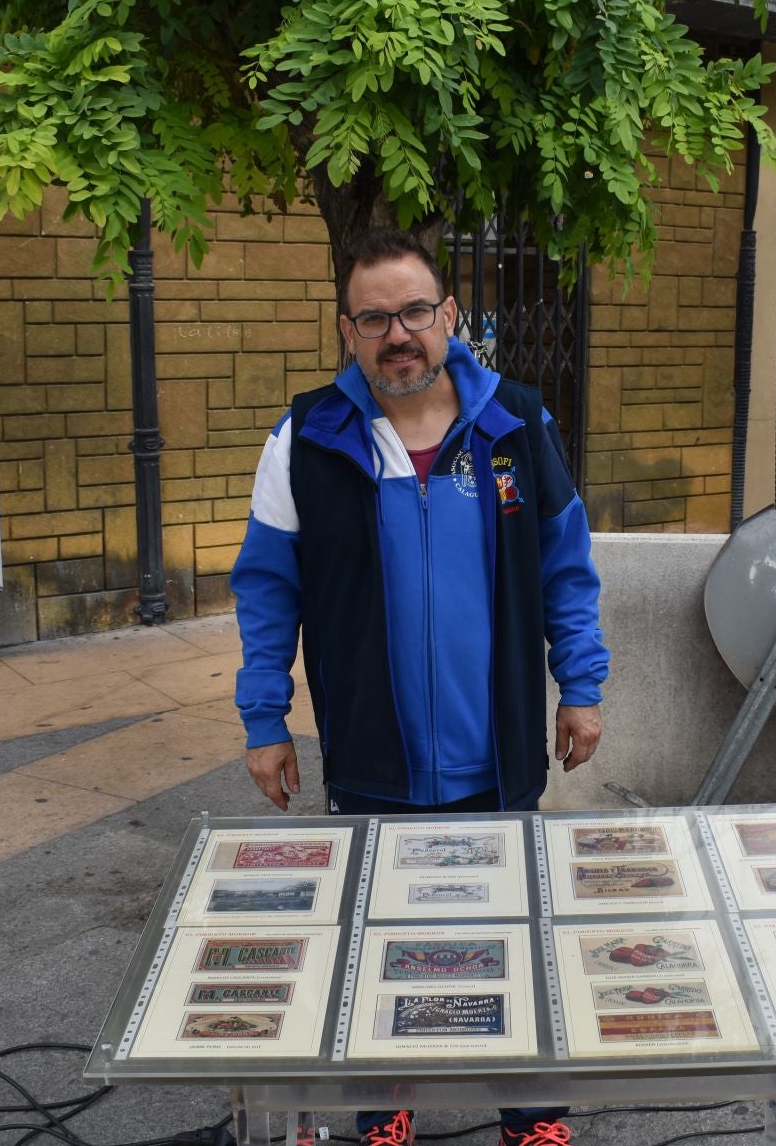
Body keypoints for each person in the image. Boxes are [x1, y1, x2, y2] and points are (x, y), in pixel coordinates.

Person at [232, 228, 609, 1146]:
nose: (396, 334)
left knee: (514, 929)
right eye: (373, 319)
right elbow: (267, 587)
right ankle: (383, 1104)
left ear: (448, 317)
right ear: (347, 330)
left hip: (499, 743)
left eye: (412, 312)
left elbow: (566, 563)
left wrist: (582, 683)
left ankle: (532, 1115)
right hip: (372, 748)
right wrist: (264, 717)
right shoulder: (306, 438)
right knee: (380, 938)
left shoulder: (517, 422)